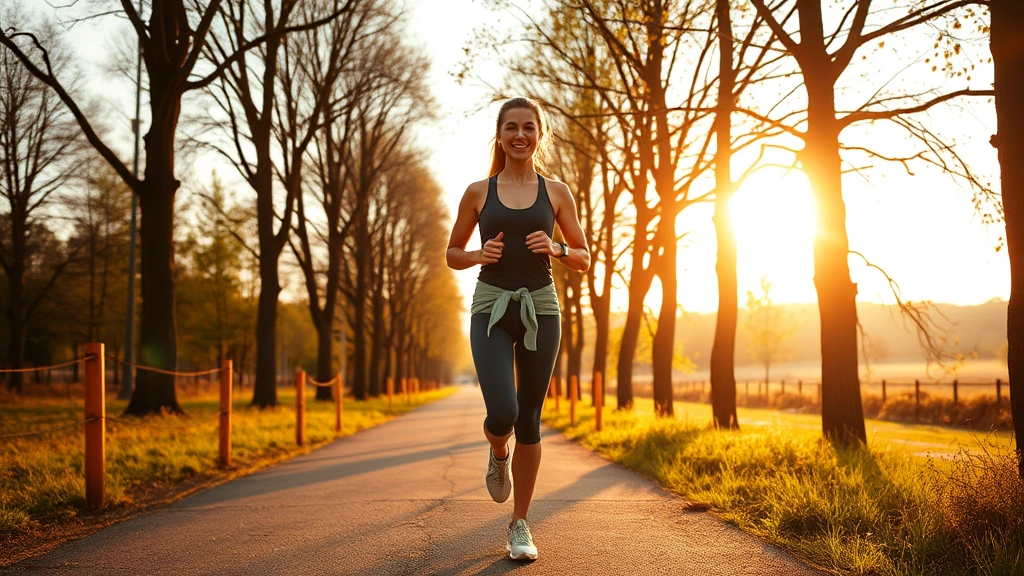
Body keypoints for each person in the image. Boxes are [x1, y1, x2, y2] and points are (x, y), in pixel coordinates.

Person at [445, 97, 591, 561]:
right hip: (490, 308)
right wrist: (477, 256)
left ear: (540, 134)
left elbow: (585, 259)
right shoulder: (477, 192)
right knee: (503, 413)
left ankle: (519, 524)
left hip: (542, 310)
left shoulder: (558, 192)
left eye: (529, 127)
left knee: (529, 419)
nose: (520, 135)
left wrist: (557, 247)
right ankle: (498, 452)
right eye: (511, 127)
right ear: (500, 135)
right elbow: (452, 253)